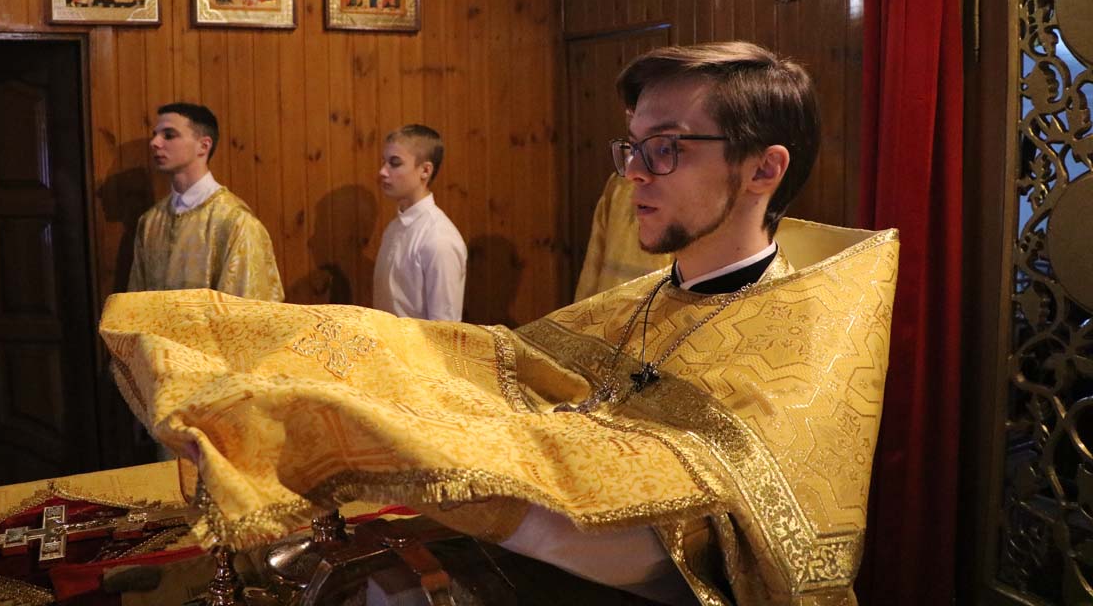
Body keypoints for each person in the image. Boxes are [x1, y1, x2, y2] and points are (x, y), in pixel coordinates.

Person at [102, 43, 898, 605]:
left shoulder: (804, 349)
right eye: (631, 148)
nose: (632, 176)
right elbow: (491, 361)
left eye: (665, 150)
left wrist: (372, 438)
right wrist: (300, 353)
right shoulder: (649, 295)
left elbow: (662, 552)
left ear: (763, 169)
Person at [127, 102, 283, 302]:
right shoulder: (150, 222)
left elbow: (248, 308)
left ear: (203, 146)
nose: (155, 143)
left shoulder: (235, 221)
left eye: (169, 135)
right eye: (155, 135)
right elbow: (136, 303)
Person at [373, 124, 467, 321]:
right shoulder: (394, 228)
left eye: (395, 163)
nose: (382, 172)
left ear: (425, 170)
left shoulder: (439, 239)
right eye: (384, 162)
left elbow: (445, 327)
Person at [573, 171, 671, 301]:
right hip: (608, 304)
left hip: (655, 305)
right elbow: (594, 259)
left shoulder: (619, 184)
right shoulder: (617, 184)